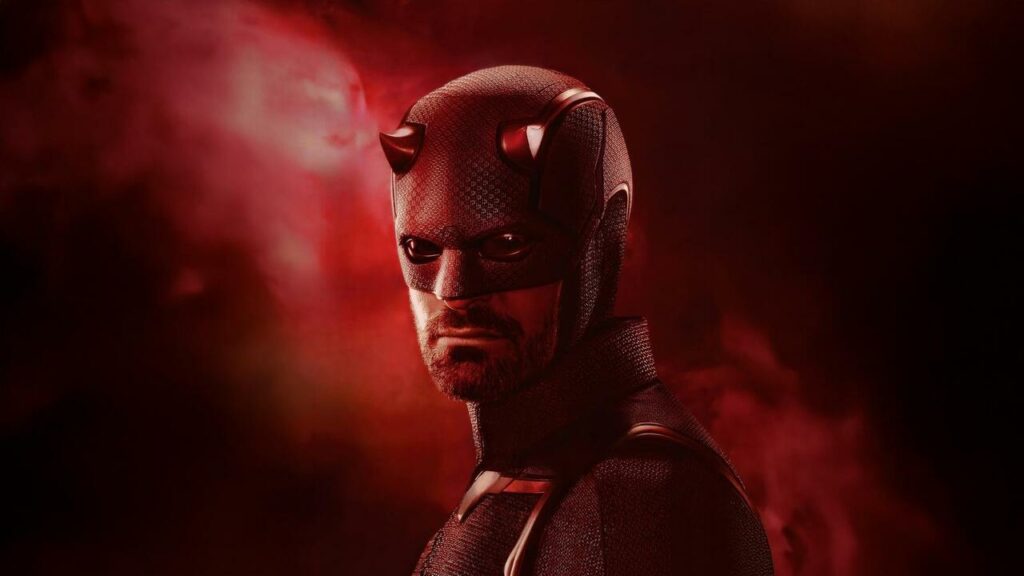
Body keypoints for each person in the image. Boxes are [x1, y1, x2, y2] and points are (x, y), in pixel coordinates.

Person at [380, 65, 773, 576]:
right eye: (421, 248)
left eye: (506, 244)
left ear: (602, 241)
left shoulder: (637, 496)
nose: (453, 291)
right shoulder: (540, 473)